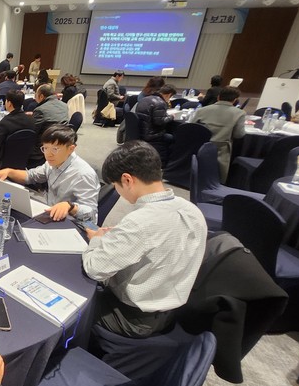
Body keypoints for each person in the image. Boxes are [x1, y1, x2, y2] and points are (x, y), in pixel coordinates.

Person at [82, 141, 206, 338]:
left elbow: (94, 268)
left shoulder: (140, 222)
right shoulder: (192, 210)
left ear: (127, 180)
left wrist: (97, 239)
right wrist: (121, 235)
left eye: (116, 186)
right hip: (169, 309)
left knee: (70, 306)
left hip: (131, 318)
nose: (118, 191)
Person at [0, 124, 99, 222]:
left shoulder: (83, 174)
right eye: (45, 148)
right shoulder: (52, 162)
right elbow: (32, 176)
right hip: (50, 211)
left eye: (55, 149)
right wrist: (9, 171)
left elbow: (92, 214)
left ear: (71, 149)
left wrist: (70, 206)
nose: (48, 154)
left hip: (70, 222)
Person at [191, 86, 246, 182]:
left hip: (199, 147)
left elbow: (191, 127)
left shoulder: (202, 110)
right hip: (221, 149)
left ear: (218, 97)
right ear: (235, 100)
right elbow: (239, 134)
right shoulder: (239, 113)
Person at [0, 90, 36, 172]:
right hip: (24, 159)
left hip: (2, 162)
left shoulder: (5, 122)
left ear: (9, 103)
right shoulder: (31, 120)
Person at [28, 83, 69, 166]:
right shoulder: (64, 105)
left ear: (41, 96)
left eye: (36, 95)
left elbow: (32, 131)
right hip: (61, 142)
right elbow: (51, 116)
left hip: (41, 148)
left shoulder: (40, 110)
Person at [135, 84, 176, 164]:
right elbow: (159, 122)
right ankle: (164, 162)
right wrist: (171, 117)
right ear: (169, 95)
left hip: (140, 131)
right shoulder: (160, 103)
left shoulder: (145, 99)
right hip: (152, 135)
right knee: (171, 137)